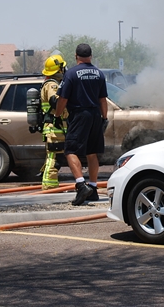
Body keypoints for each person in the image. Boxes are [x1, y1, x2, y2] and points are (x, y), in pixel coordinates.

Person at [54, 43, 108, 205]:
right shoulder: (99, 74)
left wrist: (57, 114)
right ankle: (93, 188)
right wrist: (104, 118)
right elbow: (102, 99)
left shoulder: (71, 74)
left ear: (76, 56)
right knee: (92, 152)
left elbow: (63, 98)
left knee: (70, 150)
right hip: (95, 115)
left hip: (79, 115)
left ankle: (80, 184)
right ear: (90, 56)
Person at [39, 54, 68, 190]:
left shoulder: (53, 83)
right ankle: (50, 187)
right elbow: (55, 102)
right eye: (63, 67)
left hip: (54, 127)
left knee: (52, 156)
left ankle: (48, 184)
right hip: (54, 127)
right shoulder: (51, 85)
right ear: (59, 69)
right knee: (55, 158)